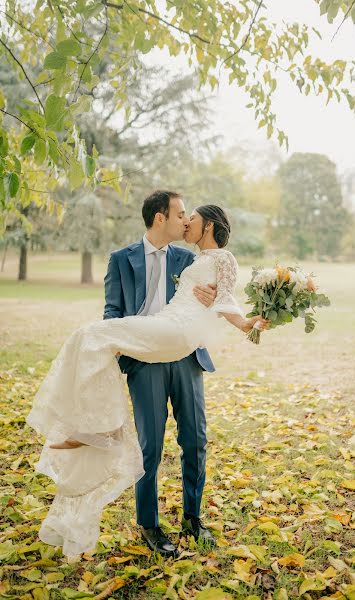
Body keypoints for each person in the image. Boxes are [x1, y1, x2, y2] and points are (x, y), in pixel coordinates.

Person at [26, 192, 268, 558]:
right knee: (149, 447)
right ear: (160, 218)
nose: (186, 221)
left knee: (195, 440)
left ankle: (193, 518)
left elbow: (220, 294)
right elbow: (113, 309)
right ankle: (149, 523)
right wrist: (125, 346)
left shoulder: (192, 257)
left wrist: (215, 300)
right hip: (144, 357)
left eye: (191, 217)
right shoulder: (121, 259)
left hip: (185, 356)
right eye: (181, 214)